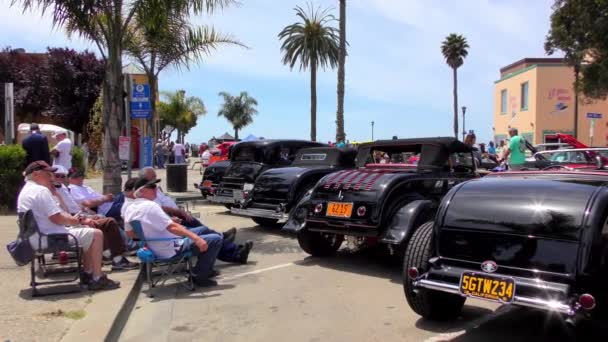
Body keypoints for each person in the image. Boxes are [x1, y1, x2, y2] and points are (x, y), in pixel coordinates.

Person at [17, 161, 120, 290]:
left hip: (35, 238)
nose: (52, 178)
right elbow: (57, 217)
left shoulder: (26, 190)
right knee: (96, 234)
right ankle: (97, 277)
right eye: (48, 174)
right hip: (48, 238)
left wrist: (75, 221)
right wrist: (75, 221)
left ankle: (88, 273)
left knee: (87, 231)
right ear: (36, 174)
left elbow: (56, 215)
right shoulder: (40, 191)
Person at [138, 167, 253, 263]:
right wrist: (174, 217)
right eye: (152, 177)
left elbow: (161, 208)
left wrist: (178, 212)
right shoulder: (145, 201)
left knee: (204, 231)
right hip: (171, 233)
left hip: (173, 223)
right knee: (208, 236)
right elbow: (159, 215)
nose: (155, 179)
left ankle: (231, 248)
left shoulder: (150, 193)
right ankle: (230, 247)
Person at [123, 178, 222, 287]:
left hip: (154, 247)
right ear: (142, 191)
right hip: (170, 247)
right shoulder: (150, 206)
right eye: (152, 187)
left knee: (203, 231)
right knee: (215, 239)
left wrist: (148, 238)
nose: (156, 189)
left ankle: (204, 269)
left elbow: (130, 233)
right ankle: (199, 276)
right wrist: (196, 239)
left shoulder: (130, 208)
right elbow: (172, 227)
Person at [52, 166, 137, 270]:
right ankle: (113, 256)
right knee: (106, 222)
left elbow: (74, 207)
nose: (60, 178)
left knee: (106, 221)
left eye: (62, 176)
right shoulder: (52, 191)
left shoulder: (62, 189)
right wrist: (83, 219)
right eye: (57, 176)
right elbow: (60, 215)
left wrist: (87, 214)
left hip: (76, 218)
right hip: (67, 226)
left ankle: (114, 255)